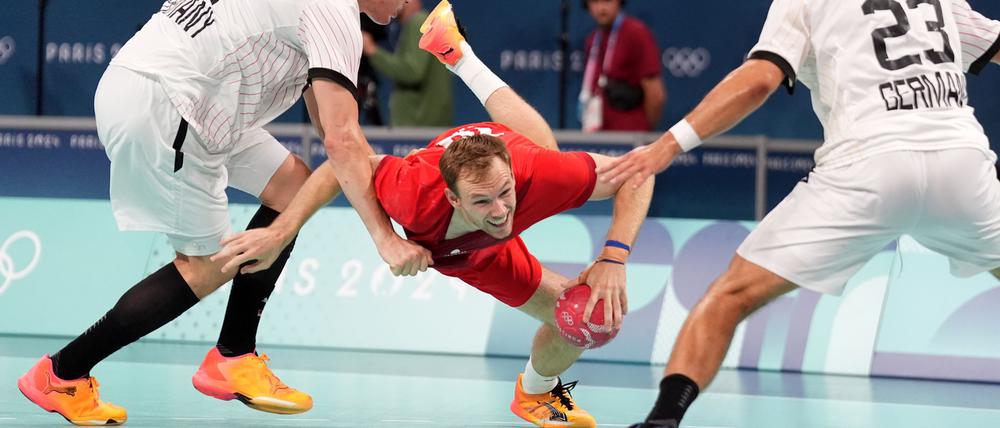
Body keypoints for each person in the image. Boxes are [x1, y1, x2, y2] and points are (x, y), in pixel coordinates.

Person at [213, 2, 654, 426]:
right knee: (543, 163)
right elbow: (343, 164)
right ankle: (456, 55)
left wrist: (614, 256)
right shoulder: (413, 194)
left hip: (516, 164)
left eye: (504, 196)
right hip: (466, 251)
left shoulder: (534, 178)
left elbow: (640, 171)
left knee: (592, 316)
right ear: (454, 199)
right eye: (483, 202)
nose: (500, 212)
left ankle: (536, 392)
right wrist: (285, 230)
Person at [16, 0, 431, 425]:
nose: (406, 3)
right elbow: (341, 142)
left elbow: (335, 134)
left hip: (184, 94)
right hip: (173, 103)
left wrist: (392, 185)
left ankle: (235, 355)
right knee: (204, 267)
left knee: (292, 187)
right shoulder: (334, 9)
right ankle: (63, 373)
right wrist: (385, 237)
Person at [595, 0, 1000, 427]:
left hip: (867, 168)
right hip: (962, 164)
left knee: (729, 296)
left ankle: (662, 420)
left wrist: (667, 145)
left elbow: (757, 82)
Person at [363, 0, 454, 126]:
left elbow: (412, 72)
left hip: (418, 126)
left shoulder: (419, 22)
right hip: (426, 126)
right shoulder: (425, 23)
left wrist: (373, 51)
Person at [579, 0, 666, 132]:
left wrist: (645, 134)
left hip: (632, 139)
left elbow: (655, 94)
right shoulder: (592, 40)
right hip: (598, 137)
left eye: (607, 1)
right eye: (595, 1)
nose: (601, 8)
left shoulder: (636, 33)